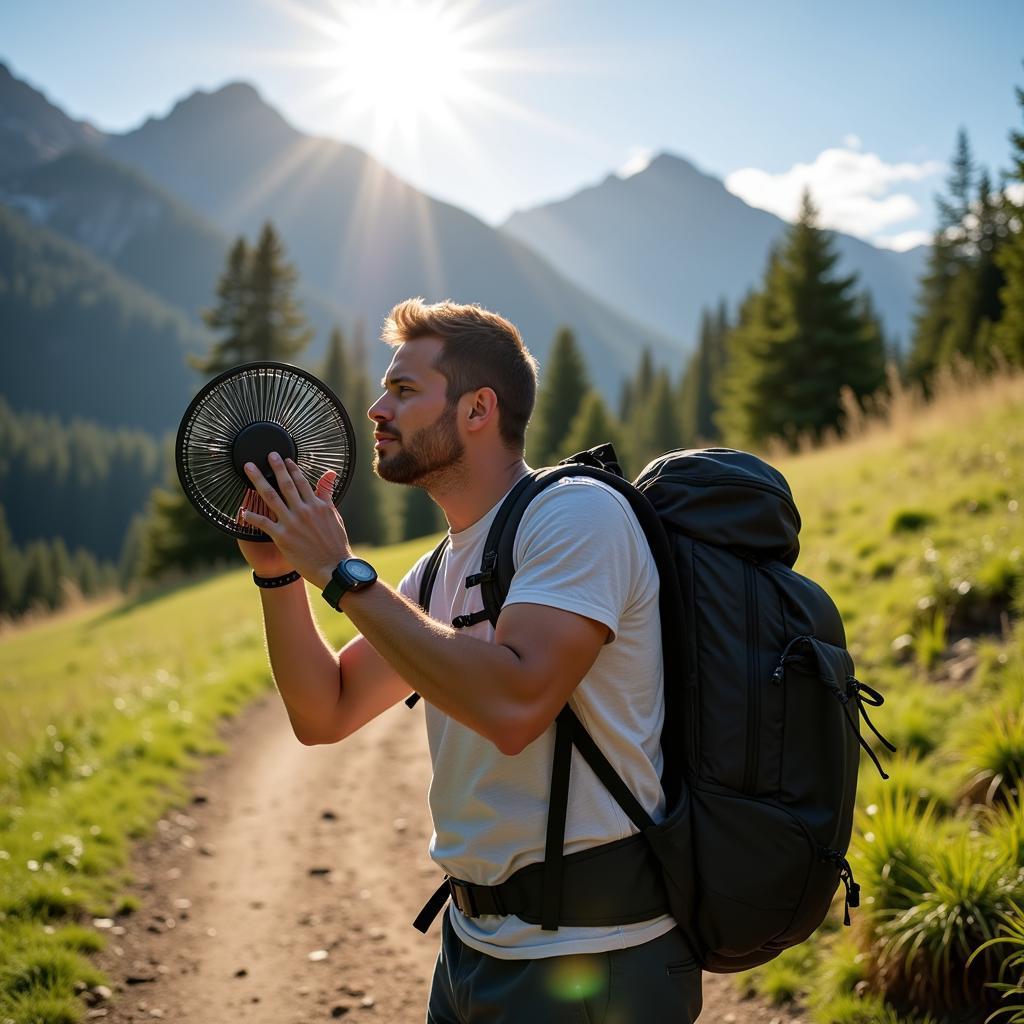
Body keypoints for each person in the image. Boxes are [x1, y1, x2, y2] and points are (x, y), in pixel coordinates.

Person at [236, 298, 702, 1023]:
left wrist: (344, 574)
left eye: (404, 390)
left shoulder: (577, 515)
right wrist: (277, 573)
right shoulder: (436, 570)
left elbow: (515, 707)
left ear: (479, 408)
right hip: (469, 952)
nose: (376, 408)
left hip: (589, 960)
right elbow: (323, 712)